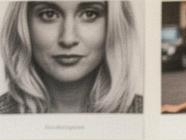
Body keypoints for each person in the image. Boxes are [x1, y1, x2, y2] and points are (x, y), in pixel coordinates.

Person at [0, 1, 142, 114]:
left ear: (115, 23)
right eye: (49, 14)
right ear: (23, 23)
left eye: (89, 13)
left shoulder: (145, 113)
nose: (68, 39)